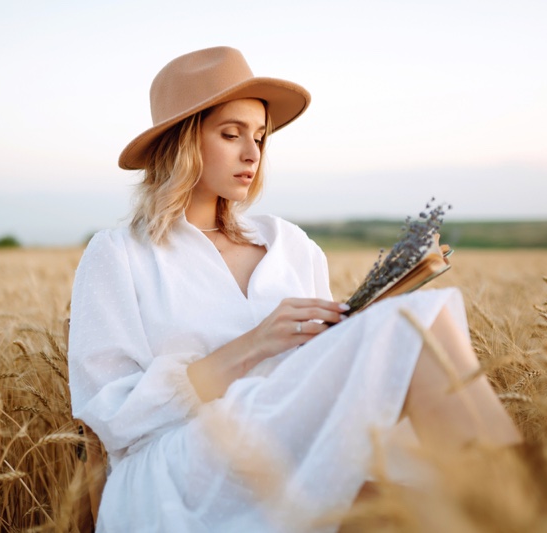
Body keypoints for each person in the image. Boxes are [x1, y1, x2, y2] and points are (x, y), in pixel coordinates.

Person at [68, 46, 521, 532]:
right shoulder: (120, 254)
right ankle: (530, 507)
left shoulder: (289, 243)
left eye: (260, 137)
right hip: (181, 470)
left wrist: (342, 336)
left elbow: (311, 376)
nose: (252, 153)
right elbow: (111, 415)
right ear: (183, 142)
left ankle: (520, 507)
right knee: (412, 331)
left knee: (421, 321)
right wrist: (254, 344)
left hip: (293, 440)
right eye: (230, 134)